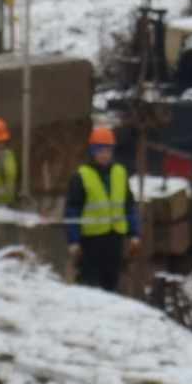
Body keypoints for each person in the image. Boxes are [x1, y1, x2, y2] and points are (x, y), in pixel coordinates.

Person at [63, 123, 140, 294]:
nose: (104, 154)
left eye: (108, 150)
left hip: (115, 239)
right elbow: (72, 211)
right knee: (89, 285)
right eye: (100, 150)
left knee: (111, 284)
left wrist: (134, 234)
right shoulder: (81, 176)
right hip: (91, 241)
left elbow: (129, 205)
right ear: (92, 151)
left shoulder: (120, 172)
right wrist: (74, 241)